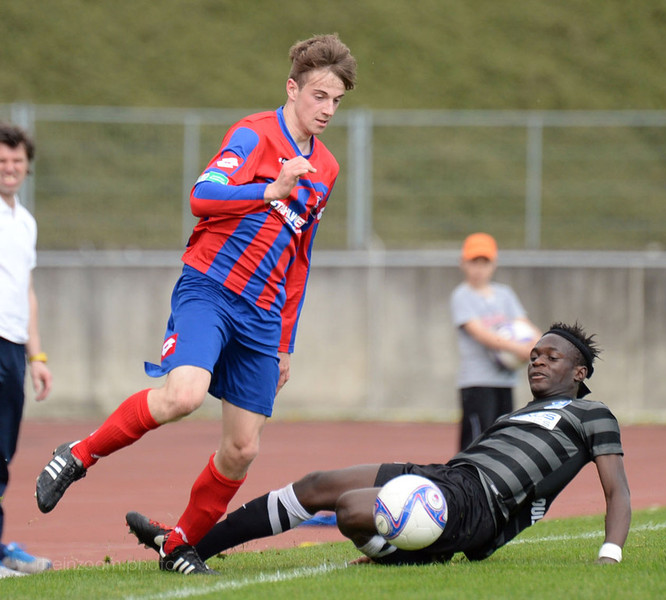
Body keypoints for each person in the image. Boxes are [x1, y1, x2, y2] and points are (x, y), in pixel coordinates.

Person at [35, 34, 357, 575]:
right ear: (292, 88)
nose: (327, 109)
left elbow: (301, 260)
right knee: (183, 395)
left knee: (243, 449)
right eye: (319, 95)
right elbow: (201, 197)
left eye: (337, 101)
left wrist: (285, 344)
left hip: (262, 315)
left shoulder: (326, 168)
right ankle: (78, 454)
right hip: (210, 289)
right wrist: (270, 190)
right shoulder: (253, 134)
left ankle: (177, 543)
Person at [127, 322, 631, 569]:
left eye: (552, 358)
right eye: (535, 354)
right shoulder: (516, 414)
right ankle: (187, 550)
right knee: (316, 484)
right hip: (449, 478)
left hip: (479, 505)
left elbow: (617, 490)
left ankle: (404, 554)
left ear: (579, 372)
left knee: (352, 509)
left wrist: (610, 555)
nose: (537, 361)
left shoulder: (592, 414)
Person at [0, 123, 53, 578]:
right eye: (1, 161)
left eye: (17, 160)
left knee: (3, 452)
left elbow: (27, 291)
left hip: (15, 348)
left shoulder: (25, 222)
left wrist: (37, 357)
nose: (10, 168)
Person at [451, 232, 540, 451]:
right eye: (474, 262)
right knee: (476, 443)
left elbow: (525, 325)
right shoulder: (462, 296)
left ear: (494, 264)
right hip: (477, 382)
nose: (479, 269)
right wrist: (518, 348)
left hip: (505, 381)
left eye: (485, 262)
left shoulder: (504, 294)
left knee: (502, 443)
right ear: (463, 263)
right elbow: (481, 334)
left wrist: (539, 344)